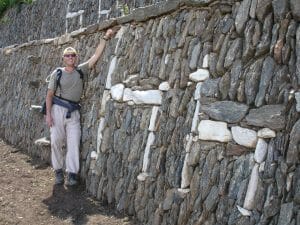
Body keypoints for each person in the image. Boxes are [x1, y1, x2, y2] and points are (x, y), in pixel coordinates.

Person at [46, 28, 117, 186]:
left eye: (73, 55)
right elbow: (49, 95)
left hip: (74, 112)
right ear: (63, 58)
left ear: (76, 57)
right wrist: (48, 114)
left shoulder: (81, 70)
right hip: (57, 109)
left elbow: (96, 56)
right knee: (55, 141)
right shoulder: (57, 73)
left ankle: (71, 174)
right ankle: (58, 171)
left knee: (73, 143)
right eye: (67, 55)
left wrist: (105, 37)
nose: (70, 57)